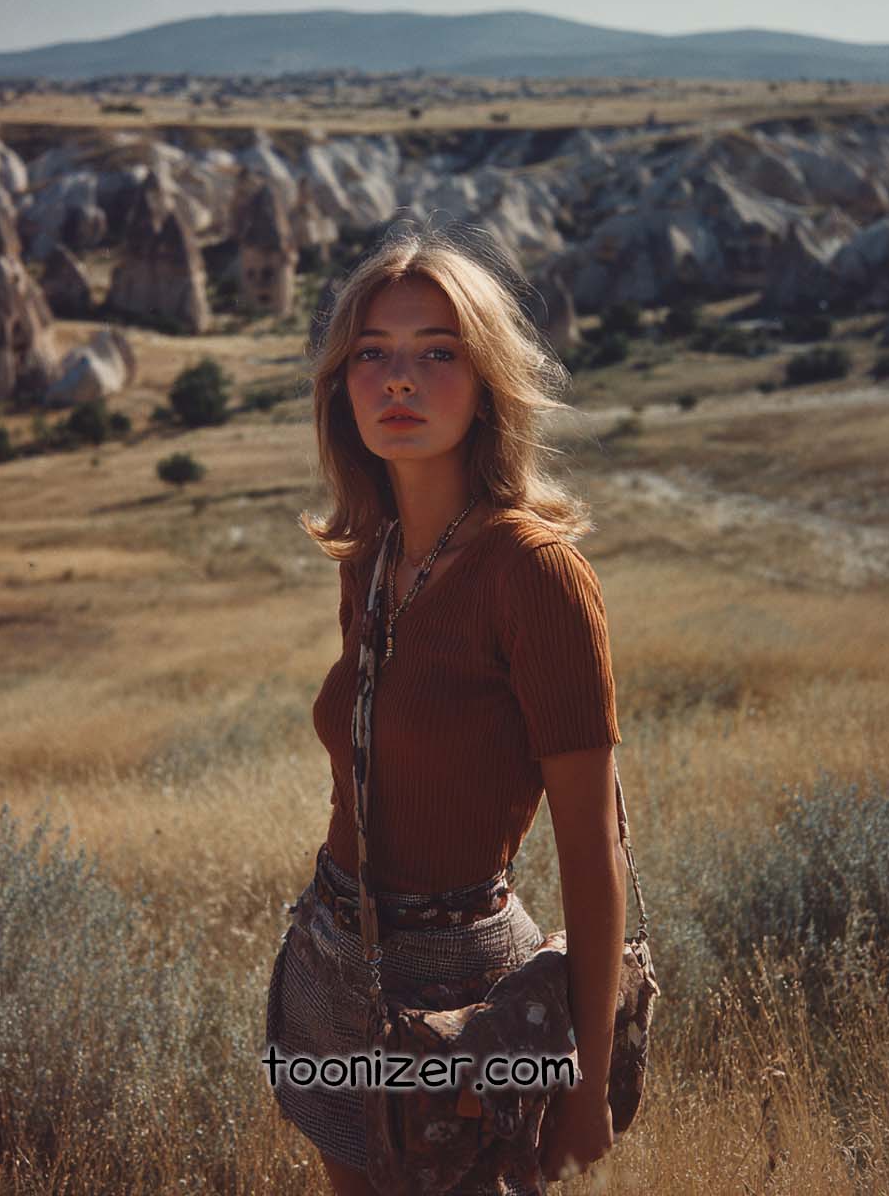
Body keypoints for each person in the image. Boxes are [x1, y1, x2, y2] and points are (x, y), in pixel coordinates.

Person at [265, 221, 627, 1195]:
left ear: (488, 384)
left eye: (437, 353)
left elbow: (596, 852)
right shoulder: (373, 554)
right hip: (335, 960)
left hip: (464, 986)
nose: (398, 380)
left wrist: (584, 1076)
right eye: (372, 354)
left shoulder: (535, 573)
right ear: (340, 384)